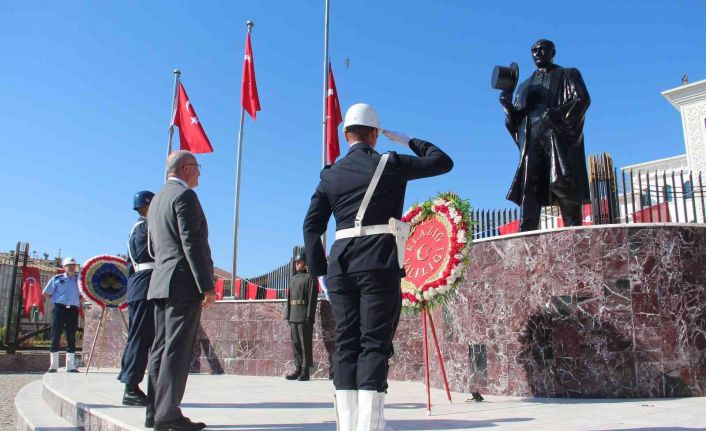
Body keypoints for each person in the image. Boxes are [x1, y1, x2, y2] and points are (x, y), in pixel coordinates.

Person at [303, 103, 453, 431]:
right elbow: (443, 162)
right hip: (378, 264)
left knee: (346, 343)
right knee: (374, 342)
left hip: (340, 267)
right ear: (375, 133)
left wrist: (320, 271)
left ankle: (347, 426)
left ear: (346, 135)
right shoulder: (390, 163)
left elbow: (312, 227)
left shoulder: (330, 174)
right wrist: (410, 140)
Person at [146, 150, 216, 431]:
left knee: (160, 349)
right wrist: (206, 286)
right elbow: (192, 243)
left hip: (161, 281)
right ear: (186, 168)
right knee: (176, 349)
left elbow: (155, 247)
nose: (199, 172)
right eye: (197, 167)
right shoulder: (184, 196)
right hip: (183, 283)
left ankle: (154, 411)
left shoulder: (158, 199)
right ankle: (168, 415)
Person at [499, 39, 591, 232]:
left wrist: (557, 114)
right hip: (532, 137)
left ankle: (574, 234)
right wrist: (507, 105)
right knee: (529, 188)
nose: (537, 53)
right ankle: (525, 237)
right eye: (534, 50)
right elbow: (516, 120)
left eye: (542, 49)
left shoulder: (568, 74)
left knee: (564, 184)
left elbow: (581, 99)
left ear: (553, 52)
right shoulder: (524, 86)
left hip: (557, 136)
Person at [117, 190, 155, 407]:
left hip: (139, 285)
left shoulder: (137, 228)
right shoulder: (146, 228)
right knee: (140, 338)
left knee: (138, 338)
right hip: (146, 285)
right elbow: (155, 253)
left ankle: (130, 383)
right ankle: (130, 387)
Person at [283, 251, 318, 382]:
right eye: (296, 262)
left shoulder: (310, 278)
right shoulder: (293, 279)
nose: (297, 264)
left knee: (305, 344)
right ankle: (297, 368)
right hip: (293, 315)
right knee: (296, 343)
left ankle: (305, 371)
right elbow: (289, 298)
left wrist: (310, 316)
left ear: (305, 263)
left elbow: (312, 298)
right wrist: (288, 315)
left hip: (304, 316)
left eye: (300, 262)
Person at [43, 256, 82, 373]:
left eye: (73, 265)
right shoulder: (57, 279)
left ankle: (70, 366)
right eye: (69, 265)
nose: (71, 267)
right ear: (64, 267)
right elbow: (45, 293)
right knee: (55, 335)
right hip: (59, 309)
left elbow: (83, 293)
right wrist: (56, 300)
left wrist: (77, 300)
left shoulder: (79, 280)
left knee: (71, 335)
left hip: (73, 310)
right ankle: (53, 365)